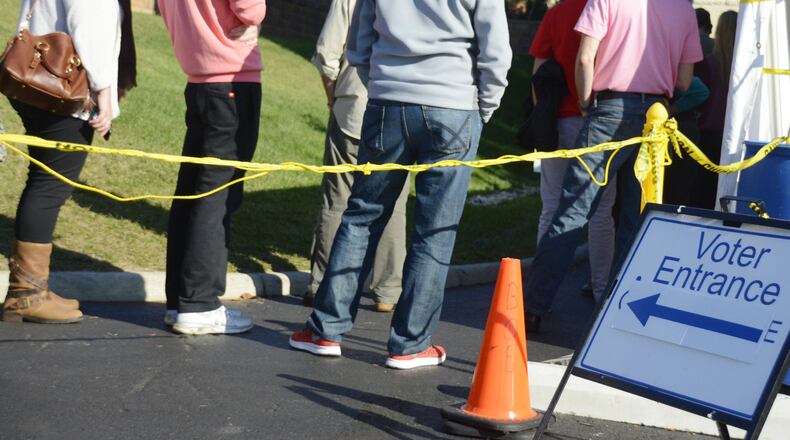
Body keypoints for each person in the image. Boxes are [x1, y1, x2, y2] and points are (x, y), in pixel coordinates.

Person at [290, 0, 512, 369]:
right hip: (454, 107)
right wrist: (483, 109)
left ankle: (325, 329)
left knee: (362, 217)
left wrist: (380, 84)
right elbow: (496, 49)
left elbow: (359, 42)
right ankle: (409, 344)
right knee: (435, 231)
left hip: (387, 102)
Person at [523, 0, 703, 332]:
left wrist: (585, 101)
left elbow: (584, 58)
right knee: (638, 214)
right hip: (655, 118)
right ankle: (618, 305)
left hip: (607, 107)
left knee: (573, 210)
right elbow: (684, 80)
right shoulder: (682, 8)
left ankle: (533, 306)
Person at [2, 0, 128, 324]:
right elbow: (89, 21)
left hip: (32, 79)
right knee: (49, 187)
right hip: (63, 90)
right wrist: (103, 90)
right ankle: (26, 294)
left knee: (42, 180)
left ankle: (30, 287)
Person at [158, 0, 266, 335]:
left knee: (192, 191)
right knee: (217, 196)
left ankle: (182, 300)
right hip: (232, 77)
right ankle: (199, 303)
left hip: (200, 78)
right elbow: (250, 8)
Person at [305, 0, 408, 314]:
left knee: (337, 198)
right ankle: (388, 290)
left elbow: (327, 54)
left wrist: (332, 98)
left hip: (353, 106)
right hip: (396, 110)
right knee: (394, 203)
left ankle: (322, 283)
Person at [528, 0, 616, 304]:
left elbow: (538, 73)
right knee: (601, 212)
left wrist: (542, 116)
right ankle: (601, 288)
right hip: (600, 121)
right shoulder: (612, 11)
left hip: (558, 123)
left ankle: (538, 295)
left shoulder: (556, 14)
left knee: (551, 206)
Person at [694, 10, 737, 210]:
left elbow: (700, 98)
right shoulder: (742, 68)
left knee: (704, 189)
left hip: (710, 131)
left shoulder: (709, 63)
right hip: (735, 132)